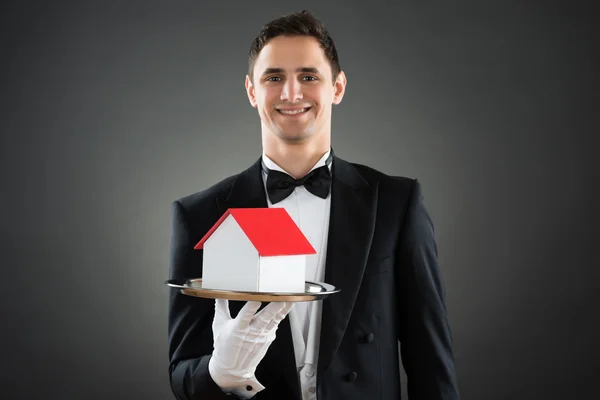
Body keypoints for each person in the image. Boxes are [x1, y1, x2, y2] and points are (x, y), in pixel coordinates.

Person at [168, 10, 460, 400]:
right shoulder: (200, 214)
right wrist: (221, 371)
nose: (291, 93)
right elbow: (182, 376)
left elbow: (431, 364)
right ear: (252, 91)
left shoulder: (396, 202)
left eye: (309, 76)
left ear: (337, 87)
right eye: (274, 78)